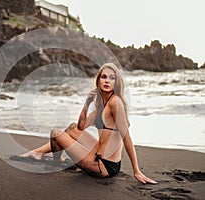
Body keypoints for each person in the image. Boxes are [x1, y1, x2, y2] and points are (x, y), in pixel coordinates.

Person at [20, 63, 157, 184]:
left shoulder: (115, 103)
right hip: (101, 157)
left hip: (103, 166)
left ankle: (52, 159)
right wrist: (87, 103)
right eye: (103, 77)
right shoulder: (102, 105)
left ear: (116, 83)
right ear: (98, 80)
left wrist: (136, 170)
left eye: (111, 78)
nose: (107, 81)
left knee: (56, 133)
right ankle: (46, 155)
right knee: (72, 129)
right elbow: (80, 127)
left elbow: (126, 137)